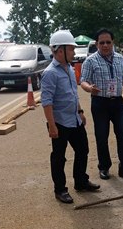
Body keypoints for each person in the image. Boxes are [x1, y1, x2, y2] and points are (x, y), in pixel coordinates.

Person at [41, 30, 100, 204]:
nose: (74, 53)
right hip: (59, 122)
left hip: (74, 119)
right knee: (59, 157)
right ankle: (60, 190)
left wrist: (80, 112)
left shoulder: (69, 68)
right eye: (71, 49)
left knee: (83, 150)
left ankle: (81, 181)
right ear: (60, 51)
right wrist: (52, 126)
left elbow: (73, 94)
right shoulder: (50, 73)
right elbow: (46, 102)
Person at [80, 28, 123, 181]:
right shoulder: (90, 61)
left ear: (113, 43)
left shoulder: (120, 59)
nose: (105, 45)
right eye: (102, 43)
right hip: (100, 103)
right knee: (101, 136)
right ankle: (104, 167)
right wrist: (89, 88)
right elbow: (83, 81)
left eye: (108, 42)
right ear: (96, 44)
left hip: (117, 103)